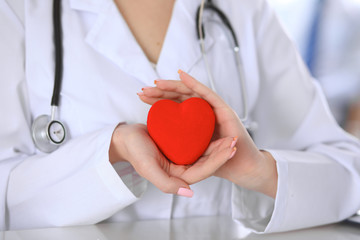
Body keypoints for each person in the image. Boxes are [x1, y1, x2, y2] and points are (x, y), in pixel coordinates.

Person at [1, 0, 360, 234]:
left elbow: (350, 173)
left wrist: (262, 171)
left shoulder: (244, 10)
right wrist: (111, 150)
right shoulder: (19, 12)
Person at [268, 0, 360, 136]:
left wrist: (313, 92)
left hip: (332, 111)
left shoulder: (353, 15)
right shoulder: (282, 9)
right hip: (284, 108)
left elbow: (353, 77)